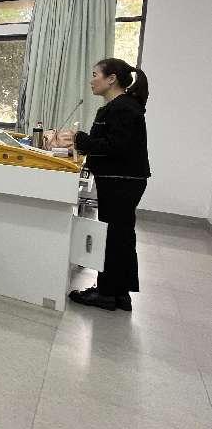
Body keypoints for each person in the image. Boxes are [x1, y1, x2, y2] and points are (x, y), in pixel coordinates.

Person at [68, 59, 151, 312]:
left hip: (120, 181)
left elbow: (115, 147)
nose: (91, 80)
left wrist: (81, 140)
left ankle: (106, 294)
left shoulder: (123, 108)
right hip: (122, 180)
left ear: (111, 79)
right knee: (121, 236)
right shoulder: (120, 106)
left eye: (95, 75)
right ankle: (119, 293)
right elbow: (112, 142)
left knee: (114, 237)